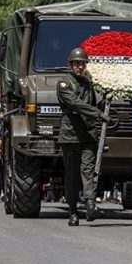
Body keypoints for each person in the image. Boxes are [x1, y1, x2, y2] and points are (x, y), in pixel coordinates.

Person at [56, 48, 109, 225]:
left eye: (82, 63)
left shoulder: (88, 83)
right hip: (71, 134)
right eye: (77, 63)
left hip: (87, 133)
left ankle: (90, 204)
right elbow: (75, 103)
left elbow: (96, 100)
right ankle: (72, 211)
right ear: (70, 65)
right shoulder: (64, 83)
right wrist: (97, 113)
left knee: (88, 170)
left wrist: (108, 95)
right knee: (72, 174)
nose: (80, 67)